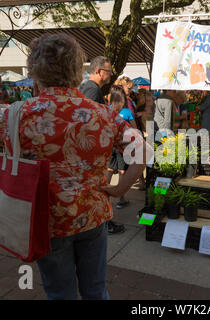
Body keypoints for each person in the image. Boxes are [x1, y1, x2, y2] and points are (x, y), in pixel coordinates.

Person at [0, 33, 146, 300]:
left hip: (46, 220)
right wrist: (122, 187)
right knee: (96, 290)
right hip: (92, 215)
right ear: (77, 69)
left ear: (34, 70)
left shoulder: (15, 115)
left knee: (60, 293)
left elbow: (4, 155)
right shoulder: (104, 114)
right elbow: (142, 149)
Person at [79, 56, 125, 234]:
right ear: (98, 71)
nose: (111, 75)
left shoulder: (89, 88)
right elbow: (87, 121)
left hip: (90, 149)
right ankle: (105, 222)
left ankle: (103, 221)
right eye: (109, 71)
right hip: (91, 150)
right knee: (99, 188)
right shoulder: (92, 90)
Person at [106, 85, 137, 209]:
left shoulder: (106, 110)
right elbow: (134, 128)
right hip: (123, 145)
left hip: (110, 144)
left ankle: (105, 196)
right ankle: (121, 198)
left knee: (109, 169)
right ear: (123, 99)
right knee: (122, 170)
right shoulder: (127, 112)